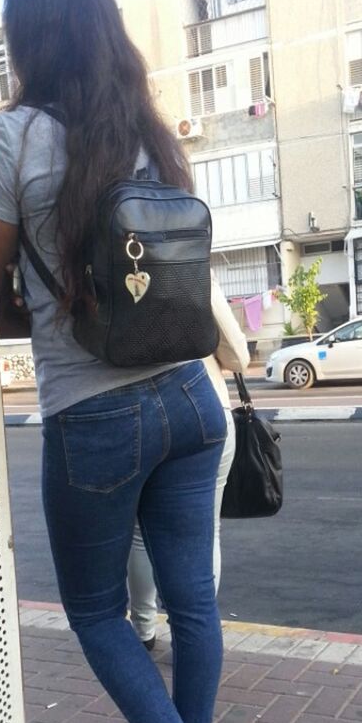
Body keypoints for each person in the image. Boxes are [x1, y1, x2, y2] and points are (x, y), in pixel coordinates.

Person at [0, 0, 236, 723]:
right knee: (193, 605)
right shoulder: (154, 136)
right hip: (192, 396)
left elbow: (0, 280)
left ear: (26, 42)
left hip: (95, 410)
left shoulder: (9, 137)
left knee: (95, 612)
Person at [127, 279, 250, 652]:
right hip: (202, 407)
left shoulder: (91, 254)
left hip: (129, 413)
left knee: (137, 534)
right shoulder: (184, 254)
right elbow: (237, 355)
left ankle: (143, 630)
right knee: (202, 532)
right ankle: (192, 637)